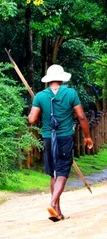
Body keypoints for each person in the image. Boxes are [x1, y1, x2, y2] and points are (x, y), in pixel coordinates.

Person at [28, 64, 93, 222]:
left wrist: (43, 110)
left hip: (48, 138)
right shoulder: (70, 94)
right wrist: (87, 136)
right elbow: (82, 116)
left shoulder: (40, 96)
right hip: (64, 137)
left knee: (53, 173)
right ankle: (52, 202)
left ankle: (56, 211)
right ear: (62, 78)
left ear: (49, 80)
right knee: (62, 172)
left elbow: (31, 120)